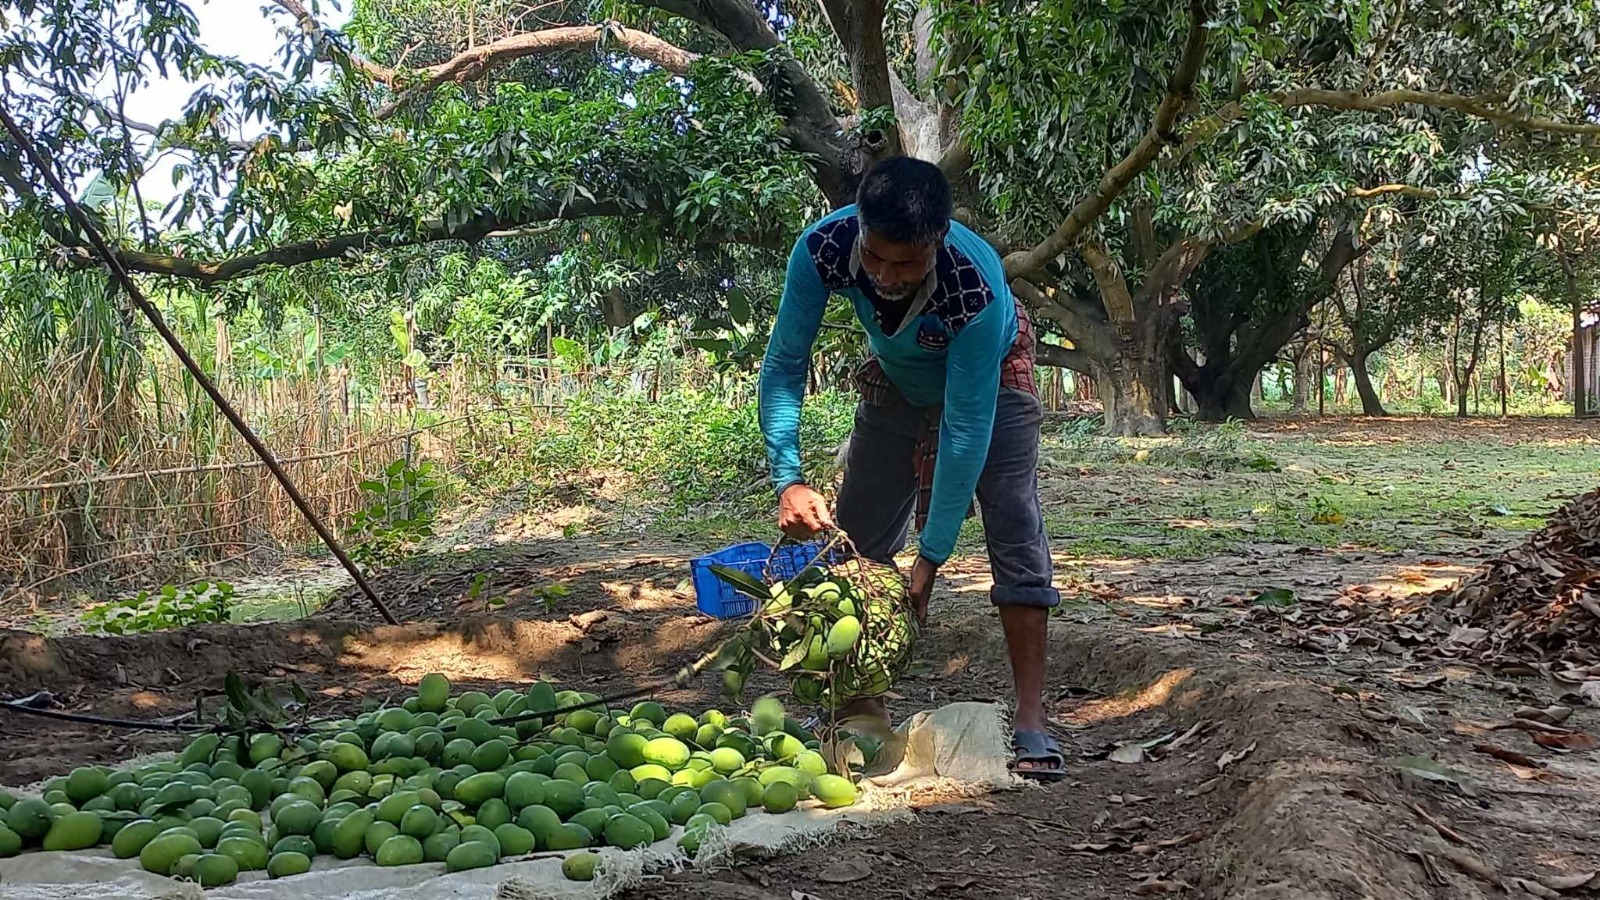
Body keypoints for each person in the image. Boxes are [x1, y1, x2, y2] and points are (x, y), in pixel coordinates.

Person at [757, 156, 1064, 779]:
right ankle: (861, 709)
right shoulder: (822, 249)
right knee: (857, 535)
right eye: (875, 259)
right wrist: (787, 475)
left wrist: (932, 556)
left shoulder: (973, 285)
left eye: (906, 264)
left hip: (990, 379)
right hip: (897, 379)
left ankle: (1030, 716)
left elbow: (967, 428)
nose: (887, 277)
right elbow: (786, 362)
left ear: (938, 241)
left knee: (1013, 524)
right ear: (859, 229)